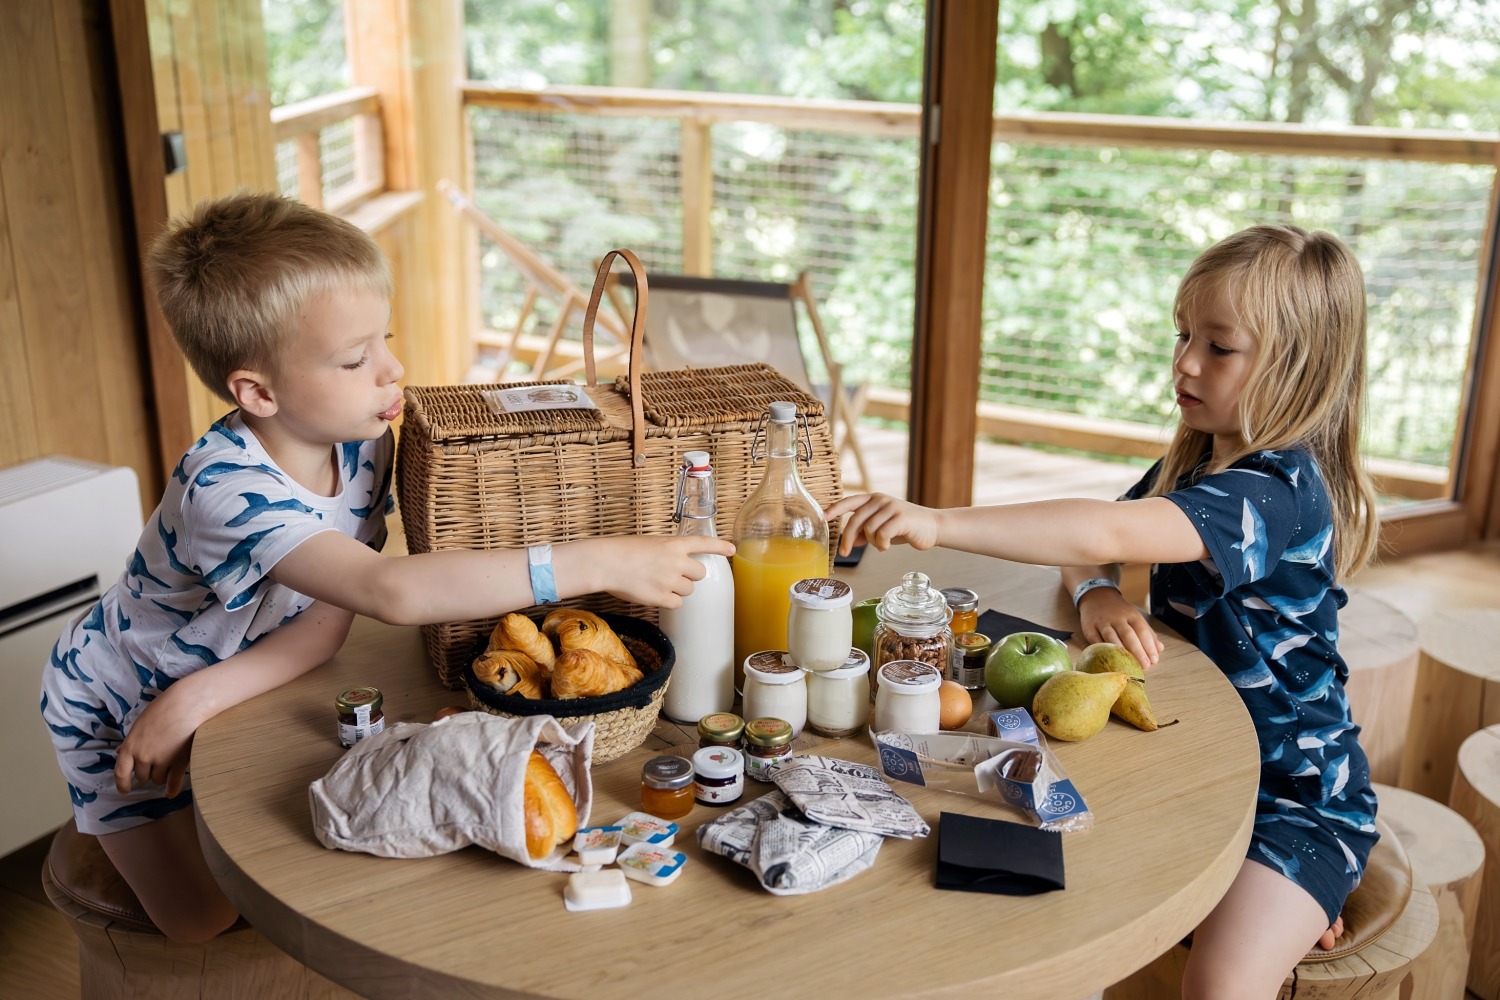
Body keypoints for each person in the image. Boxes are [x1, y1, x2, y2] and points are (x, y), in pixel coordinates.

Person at [39, 191, 734, 944]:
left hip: (228, 672)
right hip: (113, 697)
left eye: (386, 339)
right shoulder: (222, 491)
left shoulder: (362, 443)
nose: (393, 369)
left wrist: (200, 697)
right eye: (354, 358)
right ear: (257, 392)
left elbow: (323, 628)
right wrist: (598, 560)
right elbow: (388, 591)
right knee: (205, 922)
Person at [827, 224, 1378, 999]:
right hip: (1198, 754)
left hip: (1295, 799)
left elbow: (1107, 528)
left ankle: (1304, 891)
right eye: (1184, 334)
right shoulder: (1199, 454)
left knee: (1218, 984)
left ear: (1298, 368)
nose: (1184, 361)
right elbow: (1086, 547)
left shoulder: (1275, 490)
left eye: (1218, 347)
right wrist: (1099, 591)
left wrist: (939, 521)